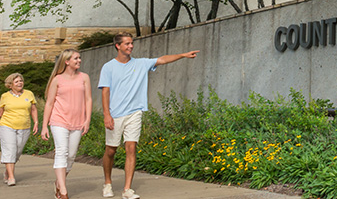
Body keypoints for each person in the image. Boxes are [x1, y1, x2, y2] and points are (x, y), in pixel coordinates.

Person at [98, 33, 199, 199]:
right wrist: (106, 114)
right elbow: (105, 91)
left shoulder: (141, 63)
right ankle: (107, 183)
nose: (131, 46)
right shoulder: (108, 67)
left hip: (135, 112)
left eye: (131, 43)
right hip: (115, 114)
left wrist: (183, 55)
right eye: (127, 44)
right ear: (118, 46)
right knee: (111, 150)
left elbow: (162, 59)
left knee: (131, 148)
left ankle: (127, 189)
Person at [42, 49, 92, 199]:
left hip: (77, 121)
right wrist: (44, 125)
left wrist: (87, 119)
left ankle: (59, 182)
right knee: (61, 152)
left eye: (79, 58)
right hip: (59, 120)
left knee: (71, 155)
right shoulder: (57, 79)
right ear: (67, 61)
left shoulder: (84, 77)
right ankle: (63, 191)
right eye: (76, 58)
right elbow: (49, 103)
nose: (79, 60)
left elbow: (88, 99)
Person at [0, 72, 38, 186]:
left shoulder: (29, 94)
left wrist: (36, 122)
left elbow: (33, 110)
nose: (20, 83)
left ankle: (7, 172)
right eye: (17, 81)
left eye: (21, 81)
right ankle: (11, 177)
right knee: (9, 149)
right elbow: (1, 112)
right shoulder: (5, 96)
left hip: (24, 126)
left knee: (17, 151)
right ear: (10, 84)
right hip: (7, 125)